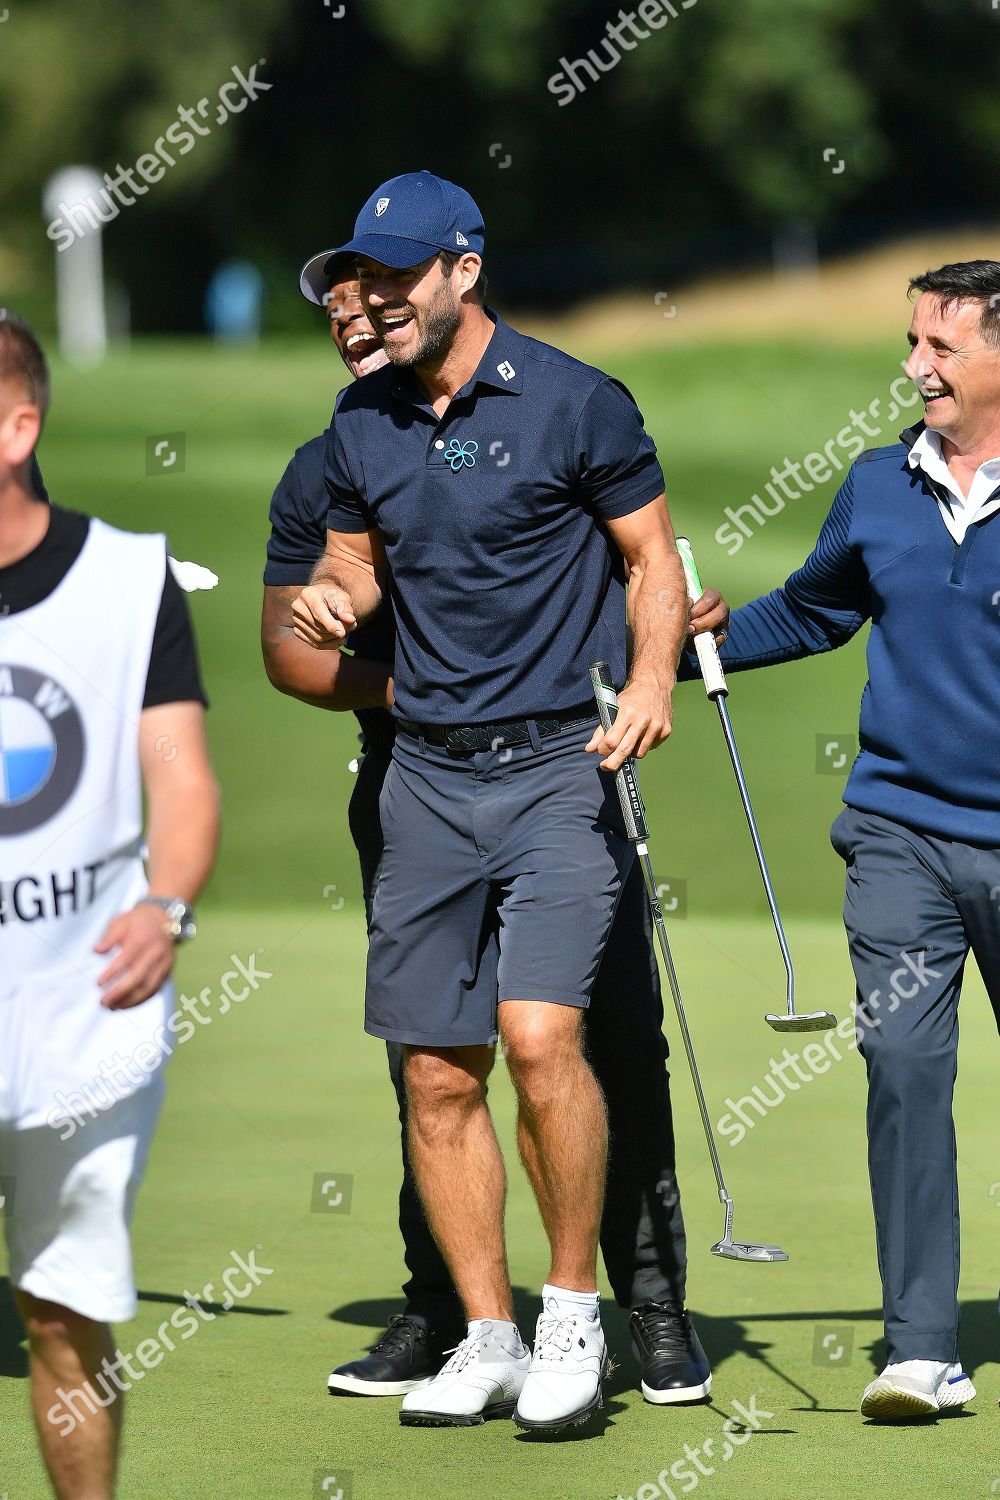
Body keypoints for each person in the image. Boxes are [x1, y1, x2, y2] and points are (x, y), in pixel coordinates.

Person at [263, 249, 725, 1407]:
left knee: (548, 1038)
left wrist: (656, 675)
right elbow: (352, 566)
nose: (367, 309)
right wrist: (334, 594)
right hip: (421, 777)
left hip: (560, 763)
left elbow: (648, 559)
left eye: (389, 282)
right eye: (348, 294)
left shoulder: (574, 398)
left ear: (461, 268)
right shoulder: (356, 421)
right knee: (433, 1069)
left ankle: (584, 1313)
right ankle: (481, 1329)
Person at [687, 260, 999, 1423]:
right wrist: (679, 643)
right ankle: (921, 1348)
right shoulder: (880, 484)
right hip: (899, 839)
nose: (912, 364)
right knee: (905, 1074)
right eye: (912, 339)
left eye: (939, 347)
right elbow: (812, 607)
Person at [0, 313, 220, 1498]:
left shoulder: (129, 582)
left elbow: (179, 777)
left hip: (84, 1012)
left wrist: (166, 907)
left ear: (17, 426)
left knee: (61, 1313)